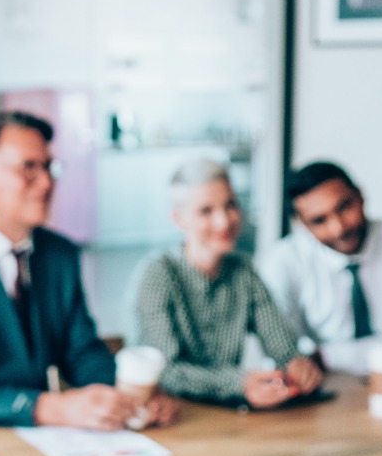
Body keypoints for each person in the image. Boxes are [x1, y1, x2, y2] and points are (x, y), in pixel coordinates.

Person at [0, 111, 179, 430]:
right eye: (29, 168)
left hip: (51, 445)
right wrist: (48, 408)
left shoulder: (60, 254)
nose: (47, 182)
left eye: (48, 167)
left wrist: (131, 398)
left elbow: (81, 351)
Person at [133, 160, 324, 408]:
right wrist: (240, 383)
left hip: (229, 416)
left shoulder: (244, 271)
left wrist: (296, 364)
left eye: (230, 205)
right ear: (179, 219)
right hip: (172, 413)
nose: (224, 221)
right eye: (206, 211)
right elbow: (165, 371)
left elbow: (281, 345)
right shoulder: (158, 274)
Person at [258, 161, 382, 375]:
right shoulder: (283, 260)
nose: (338, 228)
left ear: (361, 196)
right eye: (319, 220)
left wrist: (322, 357)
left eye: (344, 207)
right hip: (321, 390)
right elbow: (283, 352)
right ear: (301, 224)